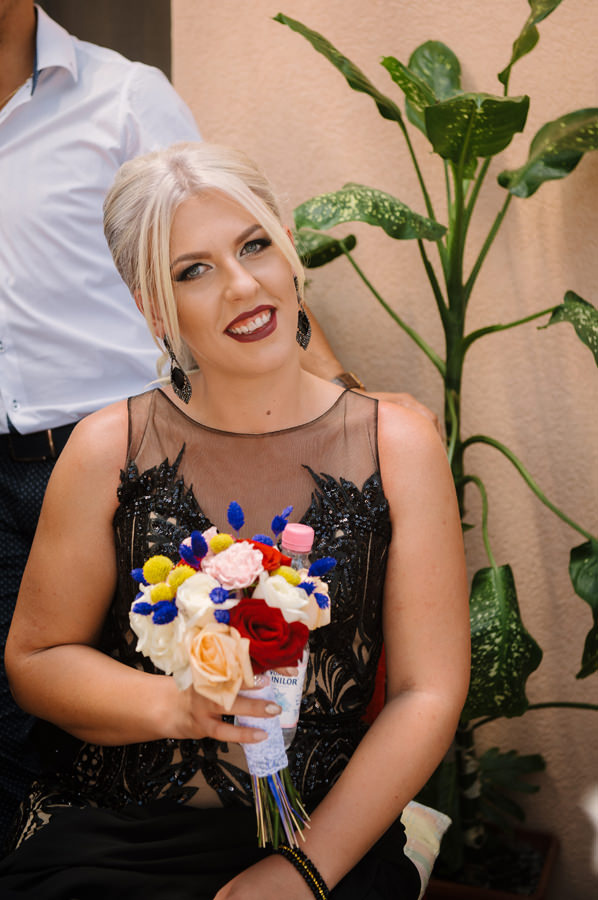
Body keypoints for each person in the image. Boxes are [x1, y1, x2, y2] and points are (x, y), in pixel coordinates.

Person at [1, 141, 470, 899]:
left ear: (287, 249)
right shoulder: (106, 449)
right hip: (120, 840)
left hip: (328, 835)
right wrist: (176, 704)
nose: (243, 285)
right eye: (194, 270)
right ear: (153, 308)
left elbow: (428, 692)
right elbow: (36, 660)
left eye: (255, 246)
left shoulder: (400, 446)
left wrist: (304, 869)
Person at [0, 0, 205, 844]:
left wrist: (335, 387)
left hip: (118, 465)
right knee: (8, 745)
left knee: (146, 732)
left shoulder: (125, 96)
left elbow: (216, 253)